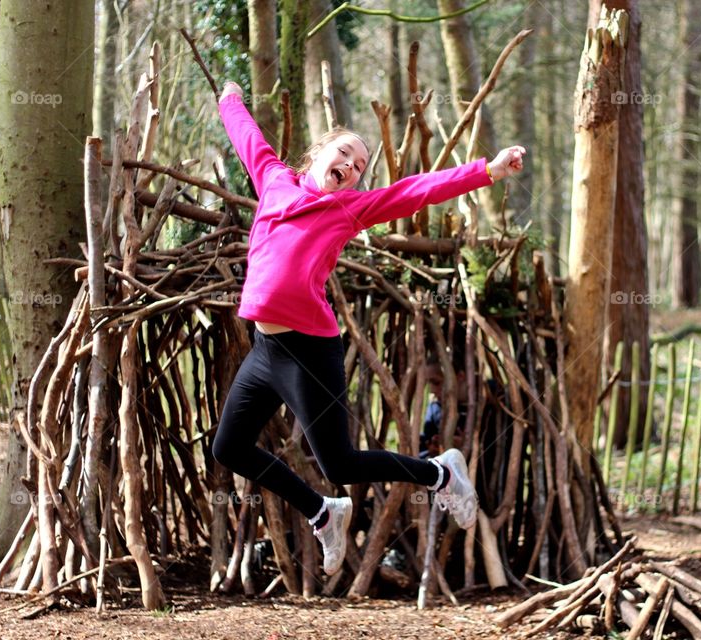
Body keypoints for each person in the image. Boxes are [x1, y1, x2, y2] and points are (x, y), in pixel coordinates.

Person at [210, 81, 526, 576]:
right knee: (228, 447)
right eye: (345, 154)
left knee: (339, 465)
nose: (352, 167)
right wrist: (230, 97)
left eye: (359, 166)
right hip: (264, 348)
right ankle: (322, 512)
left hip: (310, 351)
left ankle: (440, 473)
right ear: (317, 154)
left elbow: (416, 191)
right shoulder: (272, 180)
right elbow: (248, 136)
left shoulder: (348, 209)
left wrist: (487, 170)